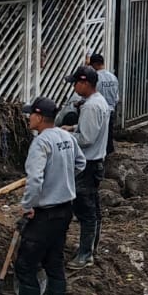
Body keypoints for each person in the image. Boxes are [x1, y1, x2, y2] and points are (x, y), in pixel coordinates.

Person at [15, 97, 86, 295]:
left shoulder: (40, 143)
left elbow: (34, 179)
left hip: (44, 213)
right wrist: (63, 181)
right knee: (54, 261)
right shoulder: (66, 137)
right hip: (65, 209)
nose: (28, 119)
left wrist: (27, 206)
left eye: (30, 115)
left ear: (38, 116)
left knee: (26, 265)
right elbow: (80, 163)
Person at [64, 66, 110, 269]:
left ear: (84, 83)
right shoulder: (97, 103)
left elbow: (86, 138)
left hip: (88, 164)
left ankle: (85, 254)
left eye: (76, 83)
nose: (74, 86)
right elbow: (89, 128)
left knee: (86, 211)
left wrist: (64, 135)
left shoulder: (91, 106)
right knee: (92, 209)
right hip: (94, 163)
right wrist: (73, 127)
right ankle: (90, 249)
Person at [86, 53, 121, 158]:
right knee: (109, 136)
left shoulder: (96, 78)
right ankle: (110, 158)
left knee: (99, 138)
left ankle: (101, 160)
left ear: (95, 65)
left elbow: (93, 94)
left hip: (99, 111)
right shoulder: (113, 77)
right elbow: (117, 97)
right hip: (111, 110)